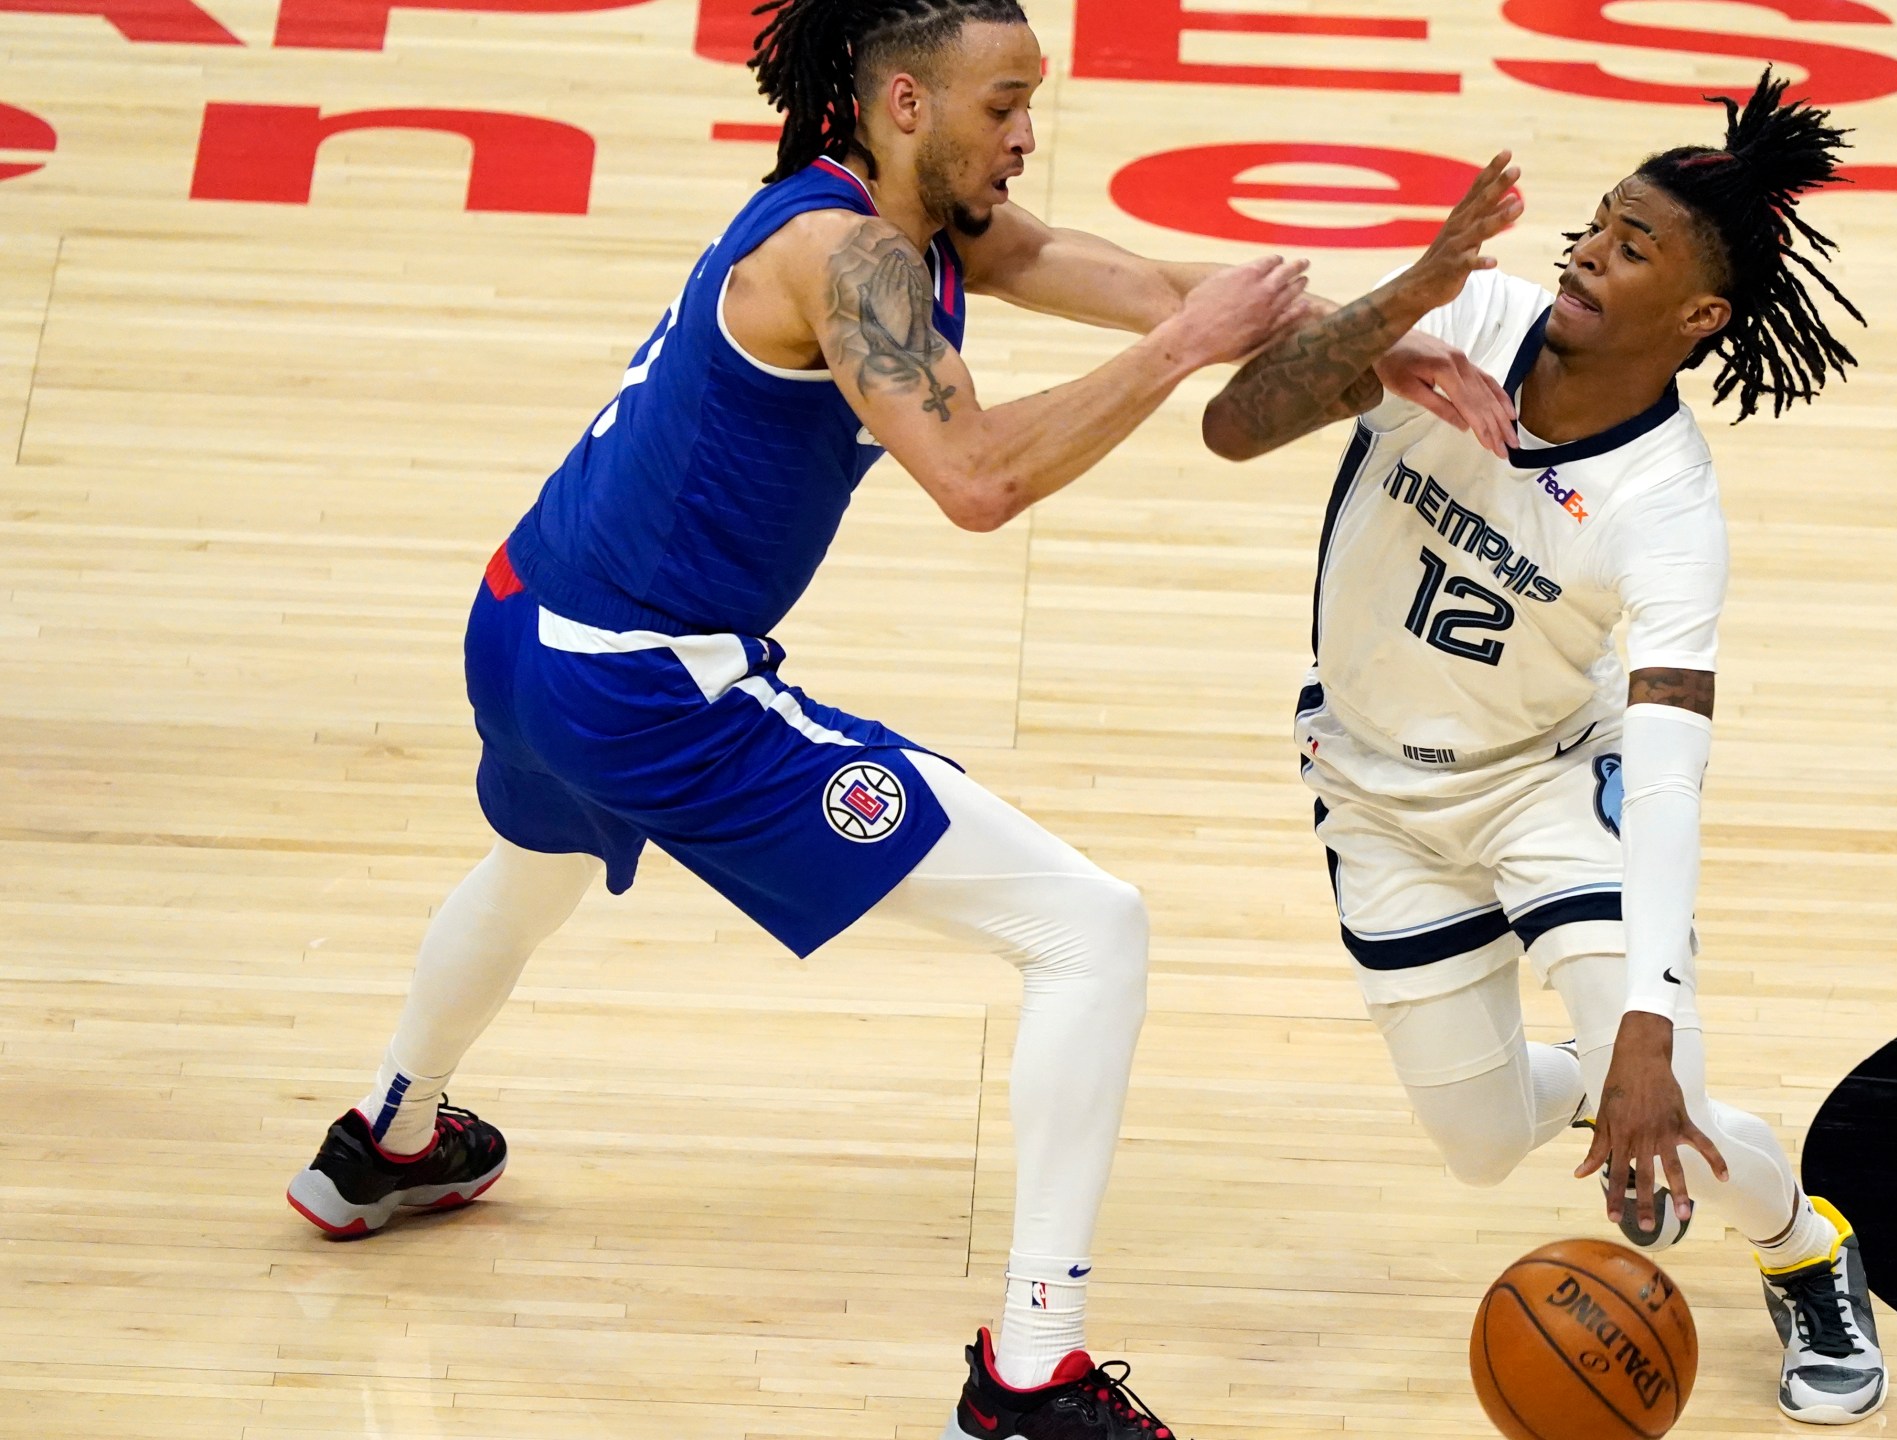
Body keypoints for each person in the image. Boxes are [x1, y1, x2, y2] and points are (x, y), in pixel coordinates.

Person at [275, 3, 1470, 1436]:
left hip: (527, 618)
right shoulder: (850, 264)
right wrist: (1181, 356)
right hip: (651, 688)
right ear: (905, 103)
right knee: (1091, 931)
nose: (1029, 134)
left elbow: (1150, 280)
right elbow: (977, 481)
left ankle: (388, 1140)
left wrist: (1364, 350)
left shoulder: (898, 223)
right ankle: (1034, 1373)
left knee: (532, 871)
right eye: (1004, 105)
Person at [1199, 74, 1889, 1426]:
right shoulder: (1463, 314)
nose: (1586, 251)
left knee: (1672, 1096)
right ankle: (1594, 1082)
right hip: (1374, 793)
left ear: (1700, 318)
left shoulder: (1668, 506)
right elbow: (1233, 426)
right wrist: (1406, 293)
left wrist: (1648, 1022)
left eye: (1633, 247)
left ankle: (1804, 1243)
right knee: (1475, 1146)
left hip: (1544, 789)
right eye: (1593, 226)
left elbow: (1673, 762)